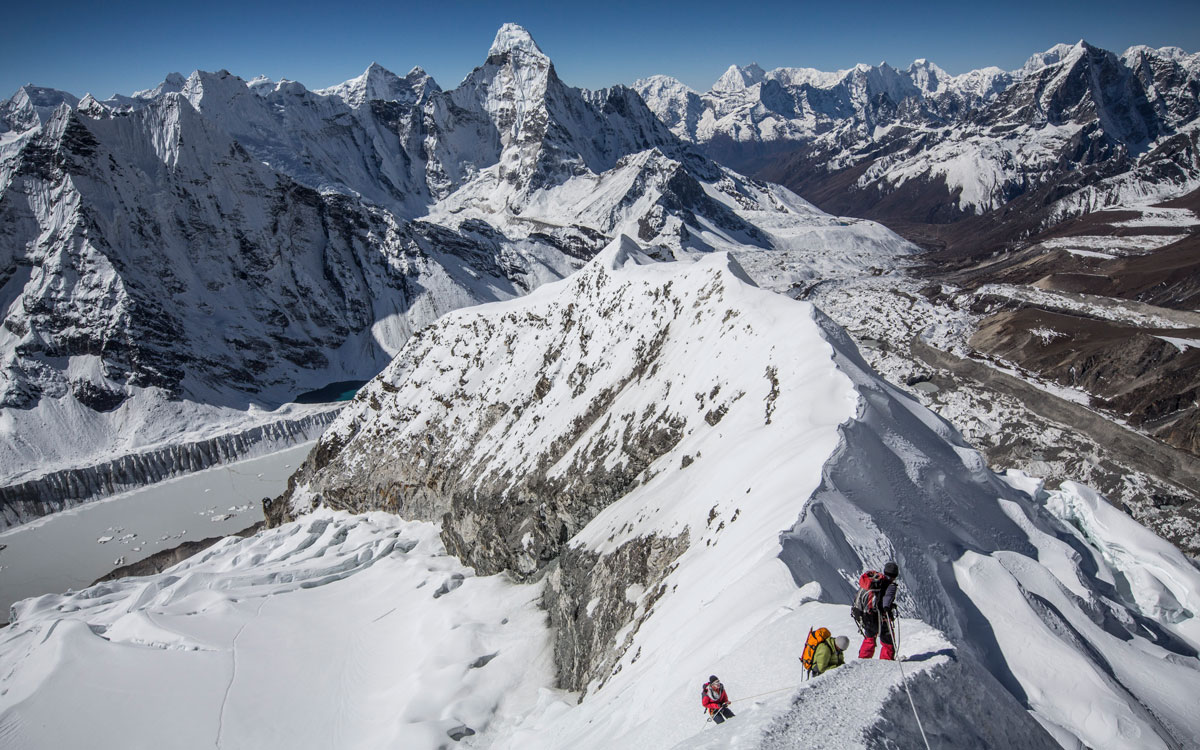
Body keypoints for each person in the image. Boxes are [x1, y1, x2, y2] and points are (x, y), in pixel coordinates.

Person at [858, 560, 900, 660]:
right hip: (881, 618)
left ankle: (863, 660)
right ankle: (886, 663)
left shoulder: (874, 582)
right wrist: (888, 608)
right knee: (888, 643)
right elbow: (886, 601)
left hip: (867, 615)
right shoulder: (891, 586)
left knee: (869, 639)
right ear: (895, 575)